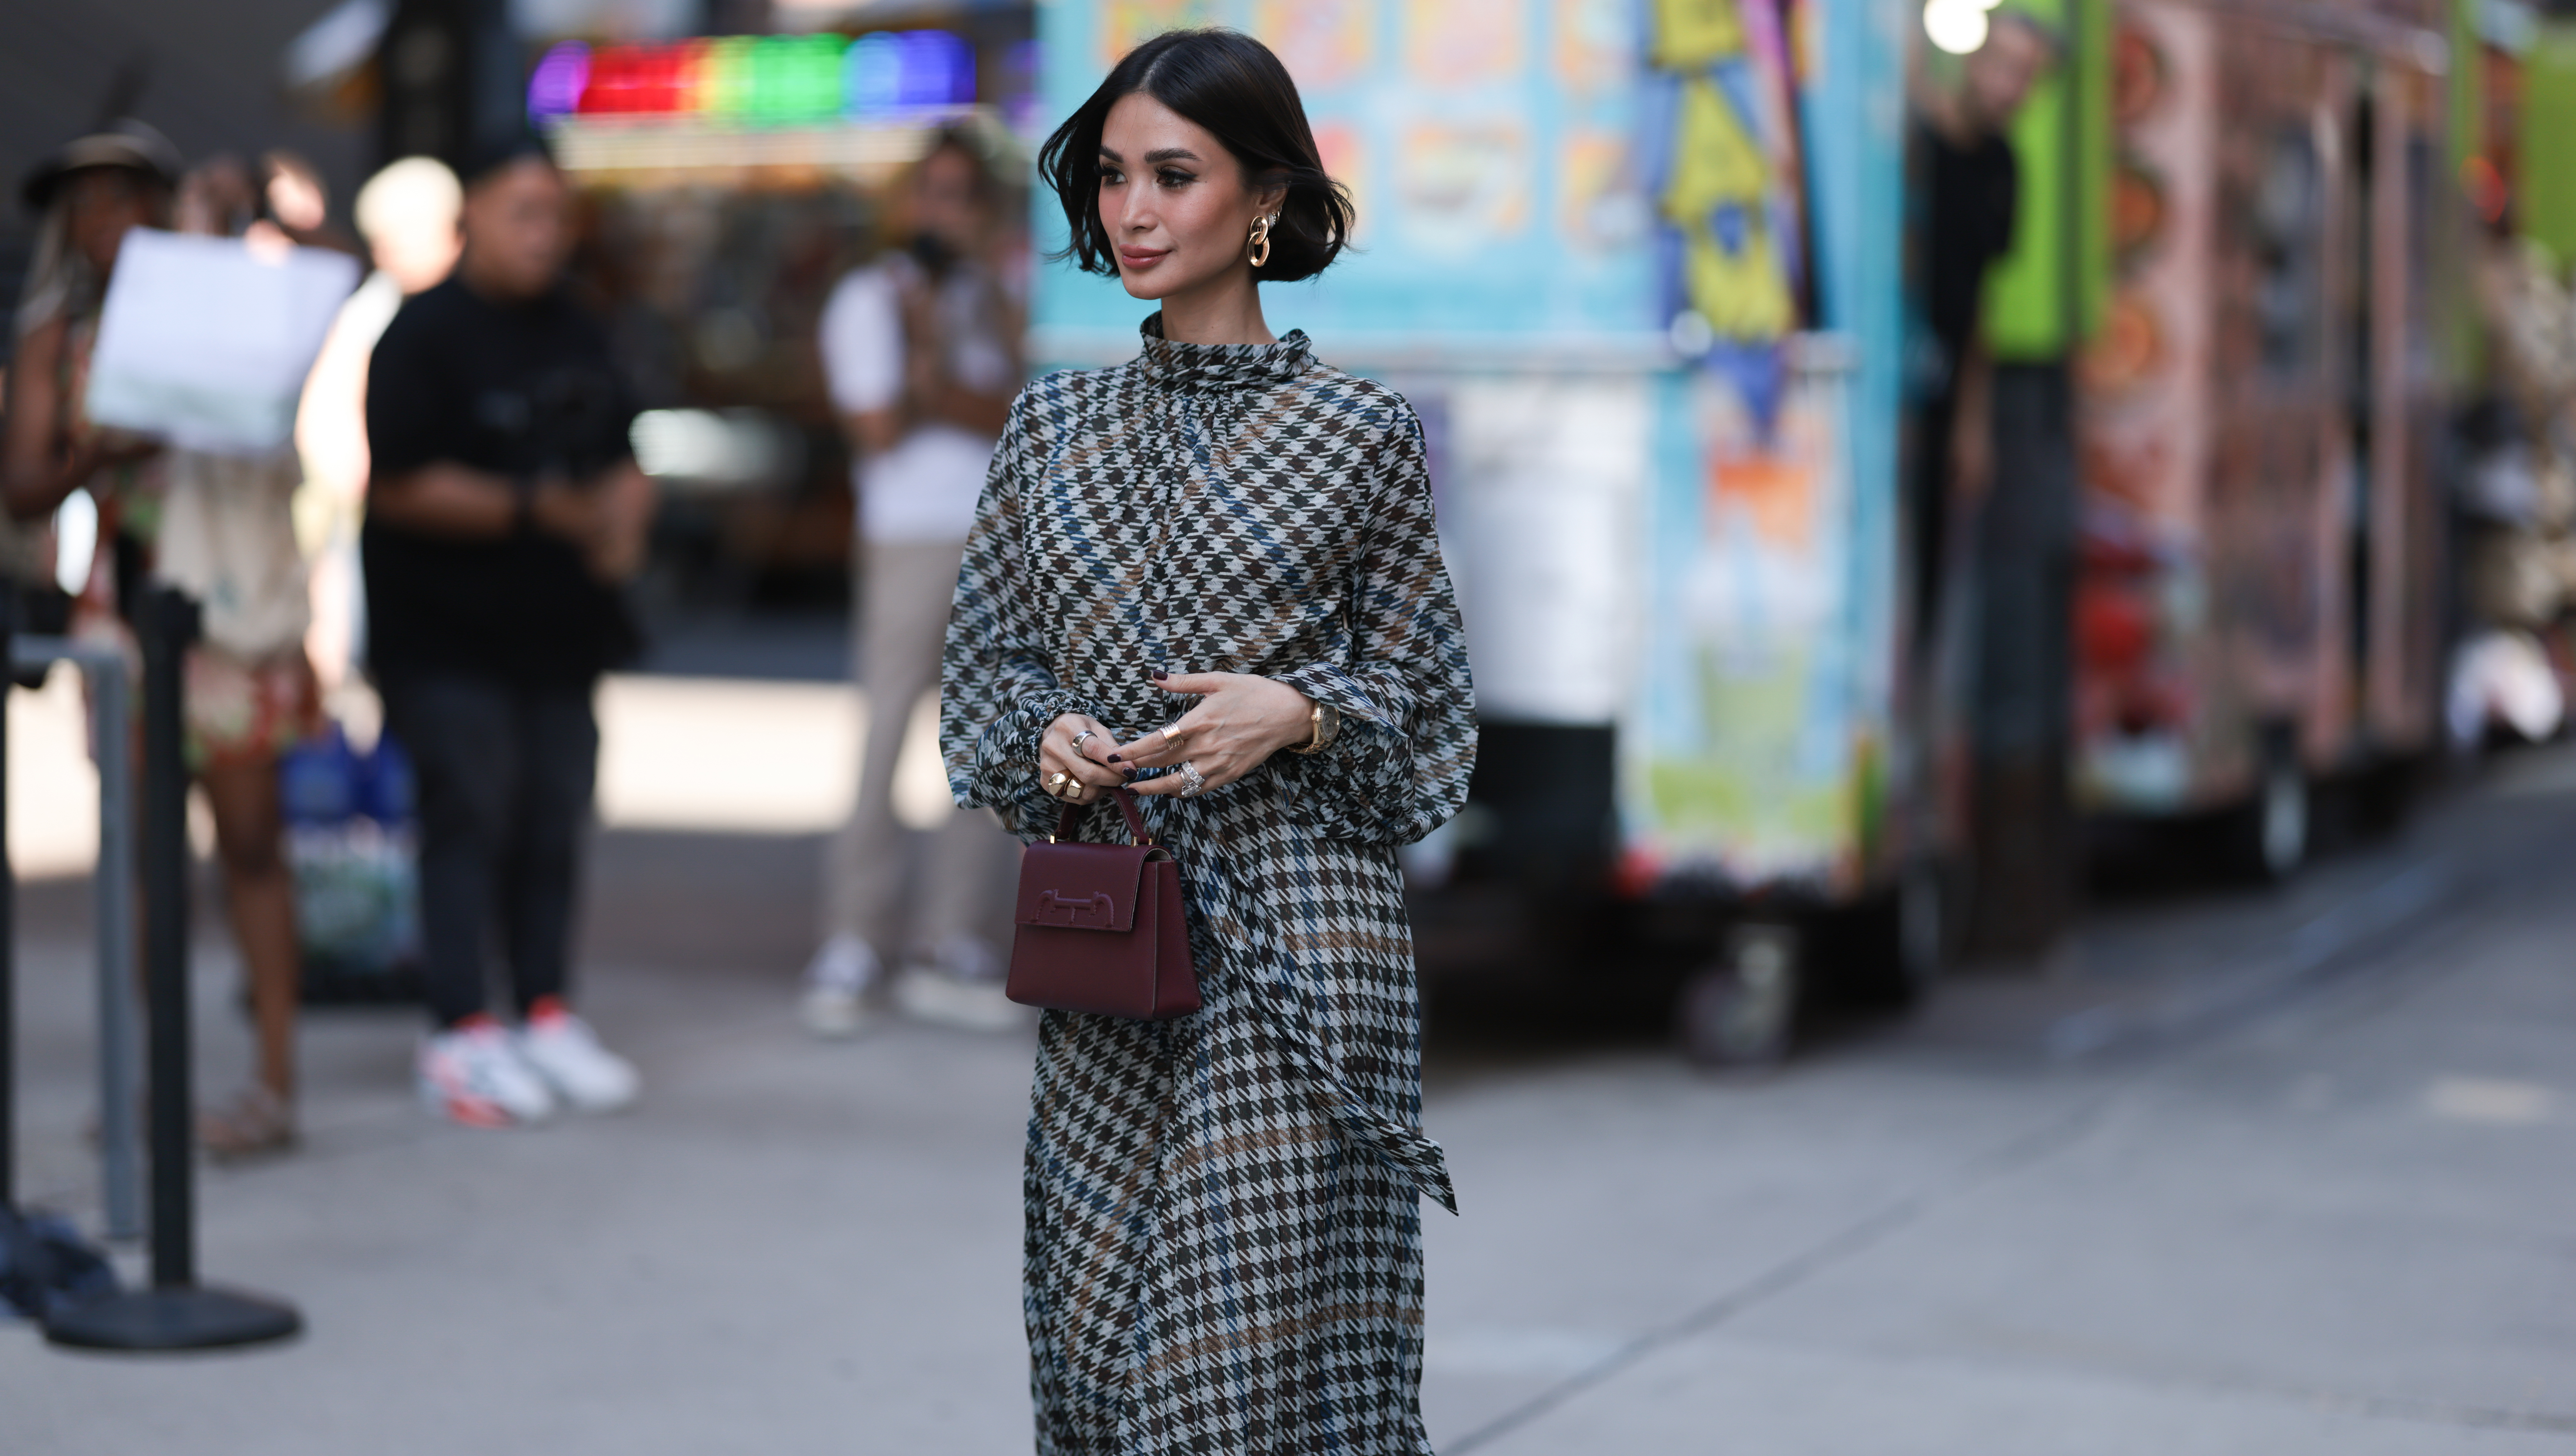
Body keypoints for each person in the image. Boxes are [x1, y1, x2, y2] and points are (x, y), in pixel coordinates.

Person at [942, 29, 1475, 1450]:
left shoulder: (1357, 430)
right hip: (1108, 941)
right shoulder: (1053, 421)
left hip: (1303, 943)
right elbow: (984, 666)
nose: (1132, 209)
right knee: (1100, 1346)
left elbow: (1430, 702)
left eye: (1174, 175)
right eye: (1112, 176)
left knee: (1225, 1376)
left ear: (1264, 202)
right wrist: (1043, 733)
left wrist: (1298, 711)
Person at [6, 124, 321, 1158]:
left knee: (251, 846)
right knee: (143, 863)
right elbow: (22, 483)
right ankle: (146, 1082)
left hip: (229, 607)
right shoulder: (63, 337)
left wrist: (225, 217)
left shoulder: (219, 299)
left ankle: (273, 1081)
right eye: (87, 203)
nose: (106, 220)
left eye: (125, 197)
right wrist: (105, 448)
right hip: (129, 617)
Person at [363, 137, 653, 1129]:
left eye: (555, 213)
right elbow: (400, 482)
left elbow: (624, 452)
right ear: (473, 213)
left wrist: (622, 523)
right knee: (468, 817)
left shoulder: (578, 323)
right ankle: (458, 1028)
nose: (543, 232)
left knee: (552, 820)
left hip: (560, 631)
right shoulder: (424, 331)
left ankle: (541, 1008)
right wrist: (538, 512)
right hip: (442, 635)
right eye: (522, 210)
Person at [802, 125, 1025, 1038]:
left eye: (961, 193)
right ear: (905, 200)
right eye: (930, 190)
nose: (944, 209)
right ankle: (853, 936)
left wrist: (943, 357)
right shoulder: (867, 297)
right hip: (905, 540)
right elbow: (879, 426)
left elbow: (1012, 410)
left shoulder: (989, 296)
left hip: (991, 537)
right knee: (885, 735)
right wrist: (926, 358)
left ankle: (950, 938)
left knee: (986, 746)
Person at [1906, 12, 2055, 657]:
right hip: (1892, 381)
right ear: (1971, 56)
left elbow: (1982, 307)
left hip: (1943, 386)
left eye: (2027, 79)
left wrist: (1975, 422)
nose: (2010, 88)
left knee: (1933, 565)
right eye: (2004, 66)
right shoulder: (1911, 137)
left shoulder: (2003, 166)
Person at [297, 157, 465, 695]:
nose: (390, 251)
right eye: (383, 239)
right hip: (386, 527)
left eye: (405, 236)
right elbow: (328, 424)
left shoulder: (486, 311)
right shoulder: (368, 315)